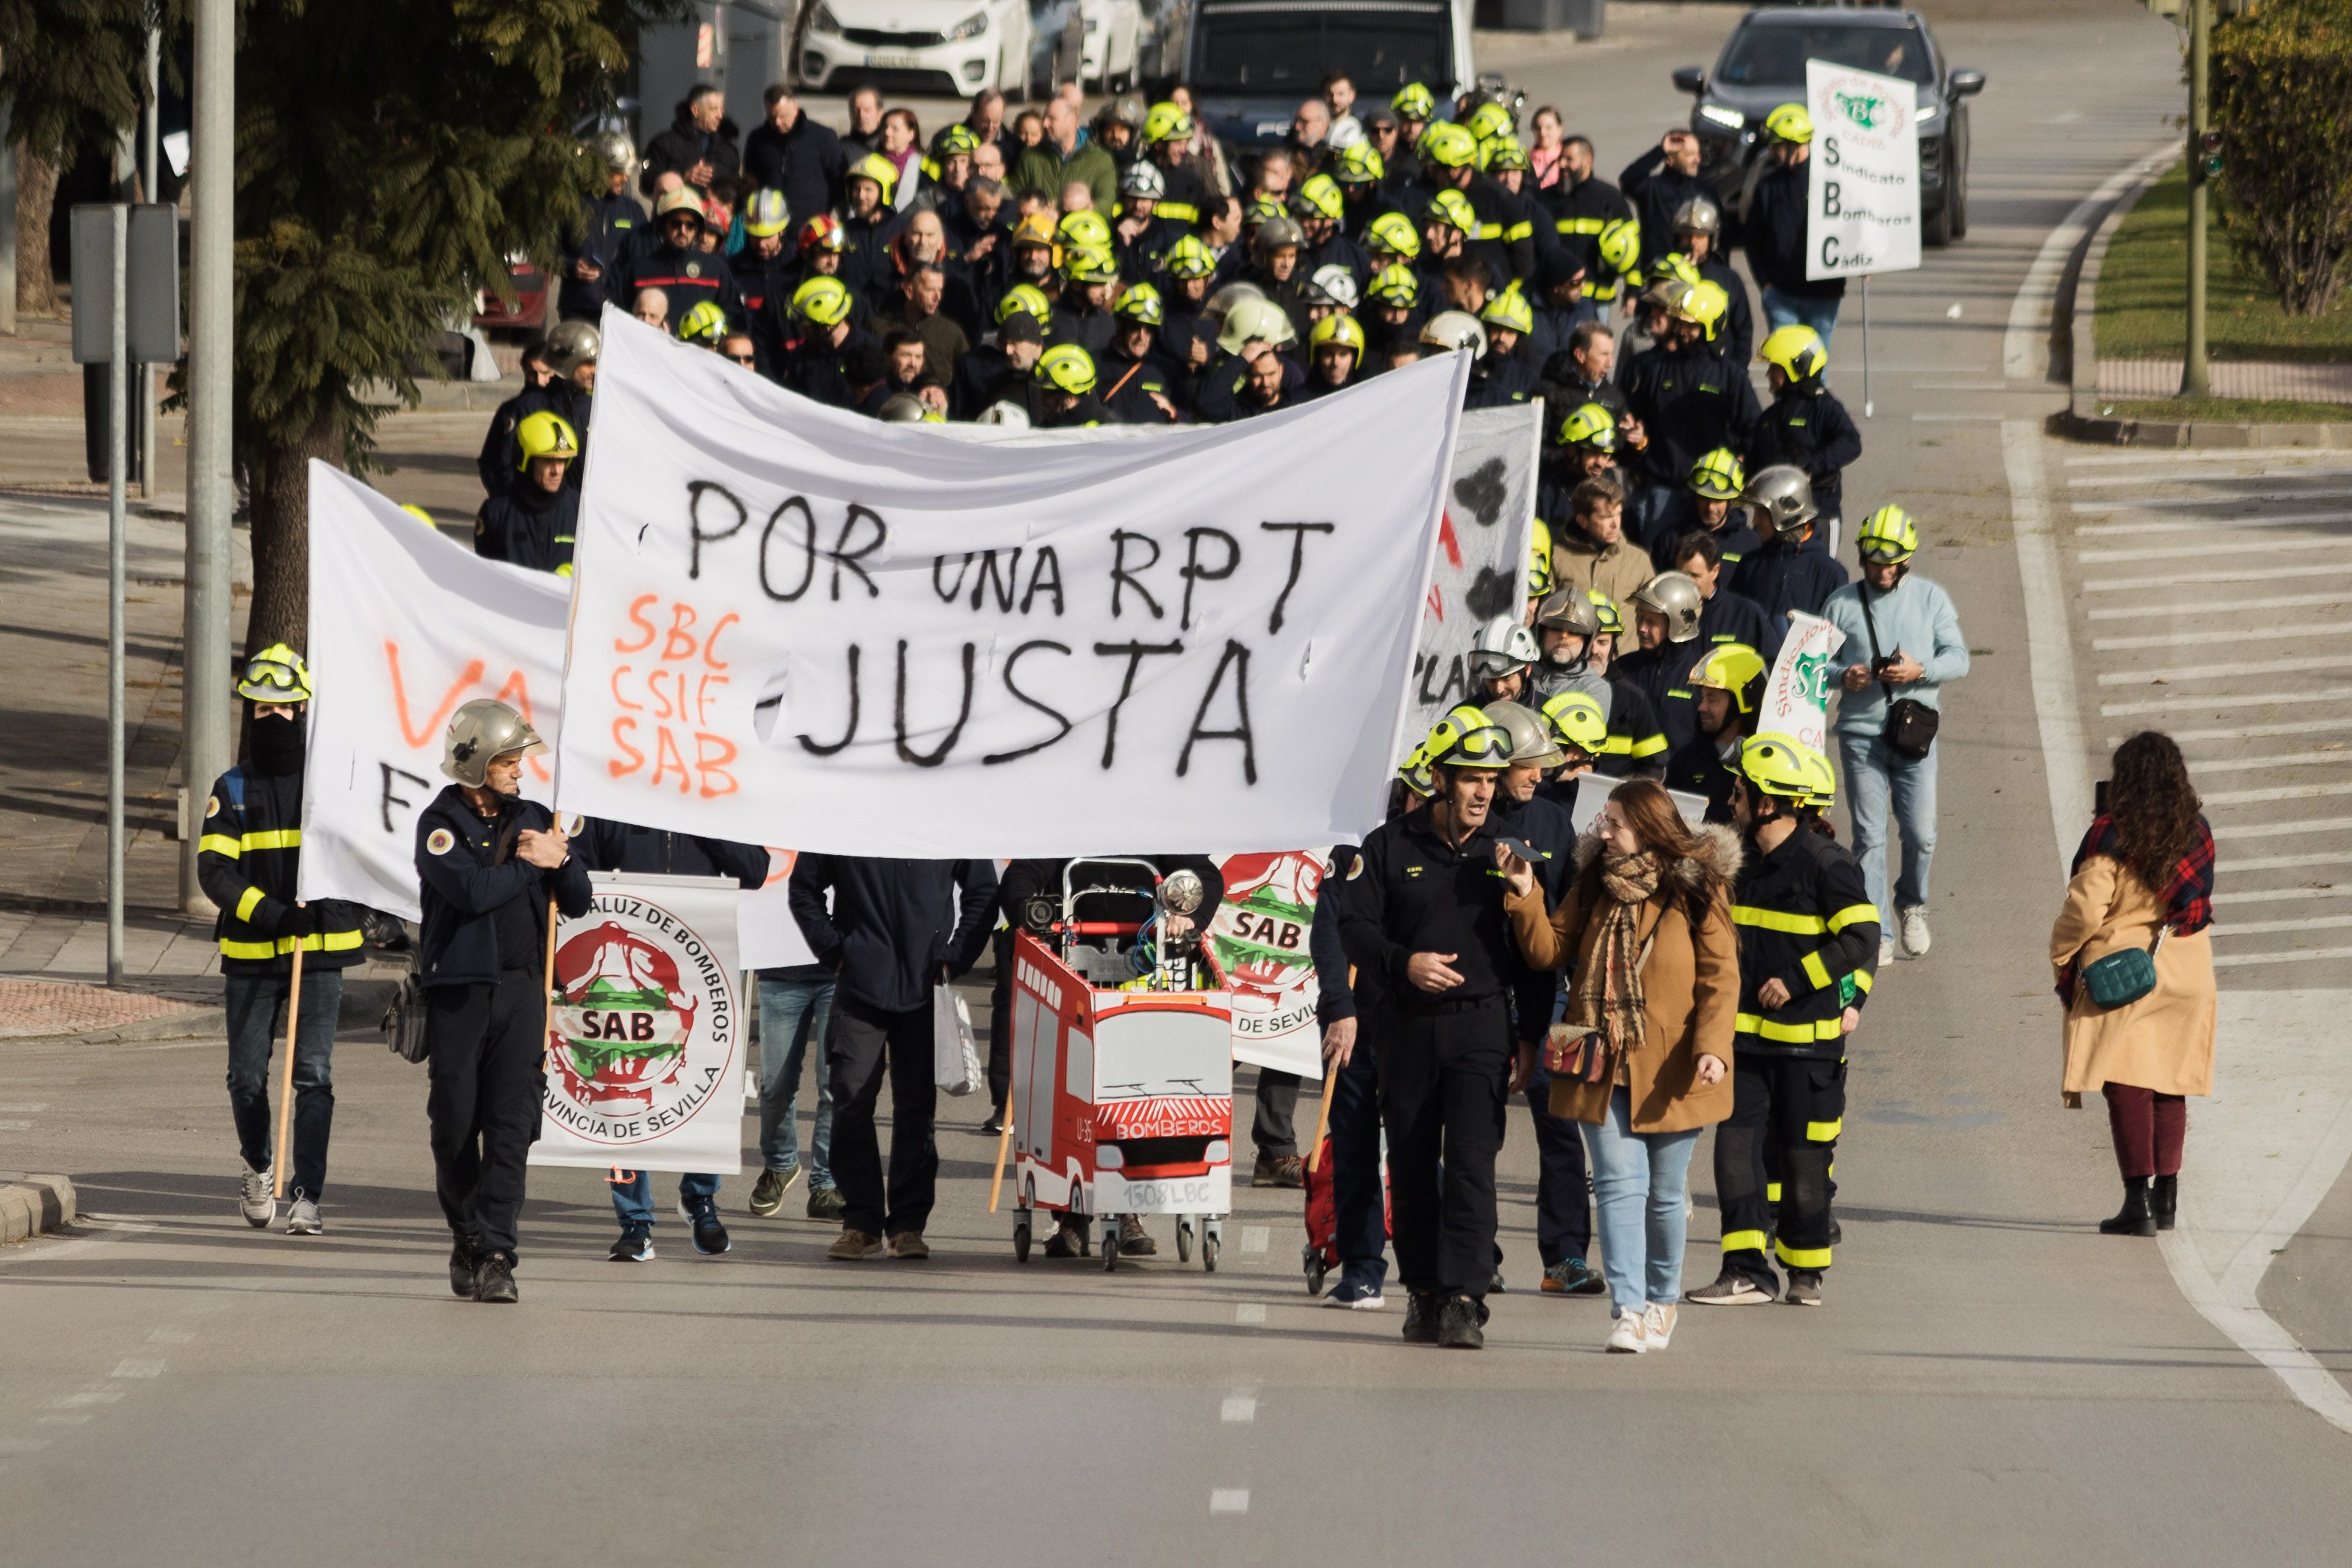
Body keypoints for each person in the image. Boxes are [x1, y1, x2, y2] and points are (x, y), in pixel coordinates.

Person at [1500, 778, 1737, 1351]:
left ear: (1648, 829)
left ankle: (1662, 1300)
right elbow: (1548, 952)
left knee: (1663, 1191)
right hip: (1597, 1057)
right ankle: (1628, 1312)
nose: (1603, 833)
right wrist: (1525, 893)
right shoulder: (1593, 882)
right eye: (1603, 822)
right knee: (1615, 1185)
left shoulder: (1698, 888)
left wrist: (1712, 1047)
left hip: (1672, 1063)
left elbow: (1720, 975)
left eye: (1615, 824)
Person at [1337, 709, 1527, 1350]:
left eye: (1492, 781)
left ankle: (1466, 1300)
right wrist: (1403, 963)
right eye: (1472, 779)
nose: (1483, 792)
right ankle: (1422, 1292)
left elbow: (1533, 951)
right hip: (1406, 1029)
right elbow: (1353, 926)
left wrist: (1528, 1041)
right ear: (1442, 780)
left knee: (1472, 1167)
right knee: (1414, 1168)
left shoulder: (1512, 850)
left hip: (1481, 1029)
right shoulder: (1389, 845)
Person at [1687, 734, 1875, 1309]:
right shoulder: (1736, 860)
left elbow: (1863, 937)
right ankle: (1744, 1269)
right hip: (1744, 1042)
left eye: (1741, 789)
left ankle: (1804, 1268)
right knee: (1735, 1149)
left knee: (1801, 1164)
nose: (1733, 797)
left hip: (1808, 1051)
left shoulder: (1826, 864)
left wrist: (1797, 979)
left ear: (1769, 802)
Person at [416, 700, 594, 1304]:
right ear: (477, 763)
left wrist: (562, 859)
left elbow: (577, 900)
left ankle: (497, 1254)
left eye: (521, 760)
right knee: (454, 1130)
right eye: (510, 761)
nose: (521, 770)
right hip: (460, 995)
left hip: (523, 990)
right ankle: (465, 1233)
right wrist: (528, 863)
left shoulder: (537, 818)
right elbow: (470, 891)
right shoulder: (439, 824)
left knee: (512, 1130)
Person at [201, 647, 364, 1236]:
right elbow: (214, 873)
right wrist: (272, 915)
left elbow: (358, 860)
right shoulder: (233, 786)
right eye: (260, 710)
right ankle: (258, 1164)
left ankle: (307, 1195)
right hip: (250, 954)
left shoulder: (329, 782)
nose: (273, 719)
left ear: (303, 708)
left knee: (313, 1074)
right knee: (246, 1078)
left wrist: (326, 909)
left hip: (320, 949)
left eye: (284, 708)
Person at [569, 819, 770, 1261]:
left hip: (700, 969)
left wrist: (702, 820)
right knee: (620, 1091)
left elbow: (755, 869)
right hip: (624, 975)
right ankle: (634, 1222)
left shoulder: (712, 798)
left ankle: (701, 1199)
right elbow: (577, 872)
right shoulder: (609, 796)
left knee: (705, 1086)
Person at [790, 854, 999, 1261]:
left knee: (916, 1109)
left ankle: (907, 1226)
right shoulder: (850, 810)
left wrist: (956, 959)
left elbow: (984, 892)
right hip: (859, 987)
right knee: (849, 1100)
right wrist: (836, 952)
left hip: (926, 987)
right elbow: (803, 889)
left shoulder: (946, 816)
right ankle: (860, 1225)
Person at [2049, 733, 2217, 1238]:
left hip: (2128, 973)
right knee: (2170, 1081)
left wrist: (2062, 954)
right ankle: (2167, 1197)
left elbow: (2085, 910)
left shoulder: (2110, 835)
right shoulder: (2197, 830)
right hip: (2187, 969)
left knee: (2126, 1082)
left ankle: (2135, 1203)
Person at [1480, 701, 1607, 1299]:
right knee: (1477, 1130)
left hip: (1553, 998)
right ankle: (1478, 1252)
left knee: (1563, 1128)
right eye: (1530, 764)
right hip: (1480, 999)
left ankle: (1567, 1258)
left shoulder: (1556, 822)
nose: (1538, 775)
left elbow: (1567, 926)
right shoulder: (1466, 826)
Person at [1819, 505, 1970, 964]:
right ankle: (1877, 931)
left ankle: (1912, 903)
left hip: (1914, 735)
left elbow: (1959, 658)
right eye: (1873, 561)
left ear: (1907, 559)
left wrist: (1920, 671)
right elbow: (1814, 667)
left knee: (1921, 833)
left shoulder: (1931, 598)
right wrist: (1846, 676)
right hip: (1860, 734)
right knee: (1868, 835)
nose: (1881, 570)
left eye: (1891, 562)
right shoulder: (1840, 603)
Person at [1748, 326, 1861, 555]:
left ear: (1797, 368)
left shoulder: (1825, 408)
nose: (1769, 374)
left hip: (1819, 515)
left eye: (1775, 367)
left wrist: (1810, 468)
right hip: (1775, 519)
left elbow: (1851, 442)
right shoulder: (1769, 418)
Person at [1745, 105, 1844, 343]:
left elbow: (1854, 225)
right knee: (1785, 367)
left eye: (1777, 145)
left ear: (1796, 145)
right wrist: (1766, 284)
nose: (1773, 151)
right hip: (1781, 294)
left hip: (1824, 294)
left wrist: (1863, 261)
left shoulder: (1831, 182)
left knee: (1817, 371)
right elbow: (1752, 238)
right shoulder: (1767, 187)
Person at [1731, 465, 1848, 629]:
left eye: (1761, 514)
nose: (1754, 522)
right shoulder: (1749, 565)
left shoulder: (1830, 574)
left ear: (1786, 513)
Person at [1667, 643, 1765, 823]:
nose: (1702, 707)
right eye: (1703, 697)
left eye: (1712, 699)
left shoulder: (1765, 764)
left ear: (1740, 703)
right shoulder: (1685, 760)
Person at [475, 411, 579, 574]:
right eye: (548, 460)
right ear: (525, 461)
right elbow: (485, 579)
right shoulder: (496, 514)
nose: (557, 471)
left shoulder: (581, 512)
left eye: (562, 460)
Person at [560, 133, 647, 323]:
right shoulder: (571, 206)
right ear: (600, 169)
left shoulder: (633, 211)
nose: (624, 179)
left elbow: (646, 258)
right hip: (579, 308)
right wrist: (572, 266)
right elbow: (547, 253)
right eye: (617, 172)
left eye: (626, 172)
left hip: (622, 311)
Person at [743, 84, 846, 237]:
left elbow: (840, 181)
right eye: (772, 117)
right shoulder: (758, 139)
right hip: (771, 230)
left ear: (795, 108)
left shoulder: (823, 137)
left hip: (811, 228)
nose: (778, 122)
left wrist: (825, 210)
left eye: (783, 116)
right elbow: (751, 180)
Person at [1667, 530, 1779, 666]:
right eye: (1682, 575)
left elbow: (1774, 664)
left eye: (1695, 576)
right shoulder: (1666, 612)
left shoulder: (1746, 614)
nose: (1688, 582)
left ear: (1715, 571)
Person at [1549, 476, 1653, 614]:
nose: (1616, 524)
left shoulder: (1639, 560)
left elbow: (1654, 618)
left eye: (1619, 515)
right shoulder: (1556, 558)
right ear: (1582, 521)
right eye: (1607, 517)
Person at [1618, 128, 1708, 273]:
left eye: (1698, 154)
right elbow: (1628, 180)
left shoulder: (1703, 192)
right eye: (1690, 155)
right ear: (1670, 160)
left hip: (1696, 273)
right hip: (1658, 275)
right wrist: (1660, 151)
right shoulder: (1653, 189)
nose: (1697, 160)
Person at [1010, 98, 1118, 211]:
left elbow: (1106, 204)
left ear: (1072, 120)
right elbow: (1014, 196)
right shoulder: (1031, 157)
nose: (1045, 124)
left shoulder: (1100, 160)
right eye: (1045, 118)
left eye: (1052, 119)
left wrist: (1070, 211)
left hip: (1078, 227)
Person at [641, 84, 740, 195]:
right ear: (695, 110)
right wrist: (683, 178)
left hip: (714, 212)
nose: (720, 115)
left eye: (721, 109)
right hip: (677, 210)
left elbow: (735, 192)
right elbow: (647, 184)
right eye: (713, 109)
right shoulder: (664, 144)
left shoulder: (728, 150)